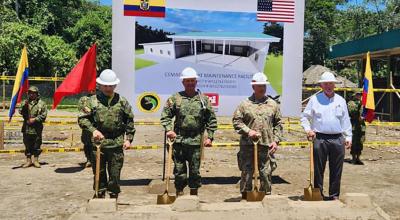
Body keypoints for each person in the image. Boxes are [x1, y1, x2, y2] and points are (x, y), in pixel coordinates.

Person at [78, 69, 135, 199]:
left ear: (115, 85)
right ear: (99, 85)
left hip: (116, 143)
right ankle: (99, 193)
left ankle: (114, 195)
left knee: (115, 173)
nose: (108, 88)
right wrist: (94, 131)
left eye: (110, 86)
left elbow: (129, 120)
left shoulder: (122, 101)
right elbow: (82, 118)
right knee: (99, 171)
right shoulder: (91, 101)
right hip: (98, 144)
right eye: (105, 85)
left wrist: (129, 139)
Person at [160, 67, 217, 196]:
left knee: (195, 171)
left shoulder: (203, 100)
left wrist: (210, 137)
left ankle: (193, 195)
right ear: (183, 82)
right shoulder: (175, 98)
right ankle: (179, 193)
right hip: (178, 140)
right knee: (179, 170)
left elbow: (211, 119)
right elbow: (165, 116)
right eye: (187, 81)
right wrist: (169, 130)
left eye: (192, 80)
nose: (190, 83)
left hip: (196, 142)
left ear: (196, 82)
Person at [300, 71, 352, 200]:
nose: (329, 86)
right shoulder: (314, 100)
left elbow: (345, 120)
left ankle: (334, 195)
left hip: (338, 138)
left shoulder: (341, 100)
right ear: (321, 86)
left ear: (334, 85)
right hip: (320, 138)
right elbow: (305, 117)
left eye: (331, 83)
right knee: (318, 168)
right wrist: (308, 130)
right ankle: (318, 194)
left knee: (336, 169)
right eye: (326, 84)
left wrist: (348, 136)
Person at [232, 72, 282, 199]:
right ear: (253, 87)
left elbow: (278, 124)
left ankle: (265, 196)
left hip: (266, 145)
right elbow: (236, 121)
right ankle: (245, 196)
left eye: (264, 85)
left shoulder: (273, 104)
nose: (262, 88)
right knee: (247, 172)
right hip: (248, 145)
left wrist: (276, 141)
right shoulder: (244, 104)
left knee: (266, 173)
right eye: (259, 85)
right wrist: (248, 131)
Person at [19, 86, 48, 168]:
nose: (31, 94)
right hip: (27, 128)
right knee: (27, 144)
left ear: (37, 94)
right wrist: (24, 106)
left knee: (37, 144)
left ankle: (36, 160)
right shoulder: (25, 102)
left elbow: (44, 115)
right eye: (30, 93)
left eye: (33, 93)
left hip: (37, 128)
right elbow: (20, 111)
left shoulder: (42, 104)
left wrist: (35, 119)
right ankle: (28, 161)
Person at [77, 90, 96, 168]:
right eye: (90, 88)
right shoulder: (83, 99)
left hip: (97, 126)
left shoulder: (100, 98)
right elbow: (80, 109)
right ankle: (89, 160)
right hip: (87, 126)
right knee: (87, 144)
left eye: (94, 88)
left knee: (97, 144)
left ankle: (96, 160)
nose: (92, 90)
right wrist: (88, 111)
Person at [347, 91, 366, 165]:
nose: (359, 96)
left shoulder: (364, 103)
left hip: (361, 125)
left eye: (360, 94)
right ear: (354, 95)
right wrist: (359, 106)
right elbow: (351, 112)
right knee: (354, 141)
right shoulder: (350, 103)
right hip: (354, 125)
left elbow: (367, 112)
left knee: (361, 141)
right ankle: (353, 157)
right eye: (357, 94)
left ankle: (358, 157)